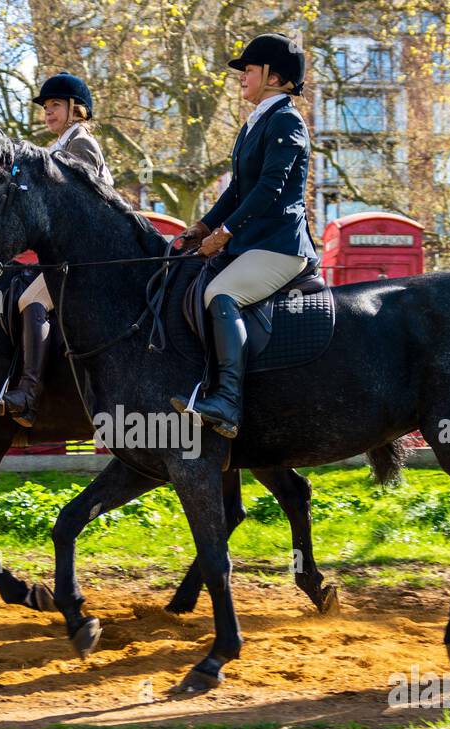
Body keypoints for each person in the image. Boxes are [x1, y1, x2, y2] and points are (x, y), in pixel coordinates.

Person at [171, 33, 317, 439]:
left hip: (280, 246)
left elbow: (270, 189)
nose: (242, 76)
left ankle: (228, 402)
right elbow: (236, 190)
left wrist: (225, 232)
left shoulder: (286, 120)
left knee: (221, 294)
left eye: (249, 69)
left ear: (273, 76)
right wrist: (201, 227)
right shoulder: (256, 124)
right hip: (253, 243)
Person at [0, 73, 113, 427]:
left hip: (88, 254)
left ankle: (28, 393)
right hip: (69, 253)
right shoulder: (59, 147)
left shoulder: (80, 144)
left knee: (31, 301)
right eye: (46, 107)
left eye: (55, 105)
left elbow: (74, 204)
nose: (48, 112)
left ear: (77, 110)